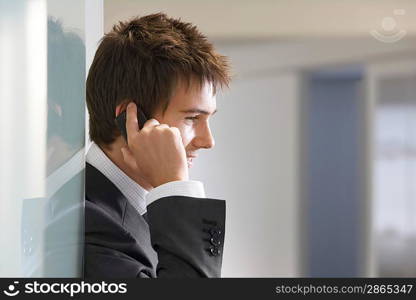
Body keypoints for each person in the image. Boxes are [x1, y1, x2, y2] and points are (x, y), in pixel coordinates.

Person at [84, 13, 231, 277]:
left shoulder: (143, 213)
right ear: (130, 119)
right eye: (192, 118)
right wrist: (176, 187)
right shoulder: (89, 226)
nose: (208, 141)